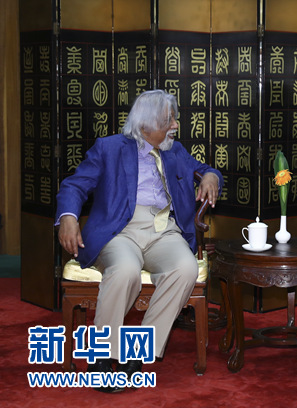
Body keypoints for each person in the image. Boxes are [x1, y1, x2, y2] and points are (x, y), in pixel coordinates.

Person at [56, 89, 223, 393]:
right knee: (125, 270)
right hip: (120, 230)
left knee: (185, 268)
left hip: (164, 231)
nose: (175, 125)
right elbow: (74, 185)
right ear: (146, 124)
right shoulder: (109, 148)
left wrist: (211, 177)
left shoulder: (174, 150)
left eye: (174, 119)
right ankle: (101, 356)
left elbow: (206, 170)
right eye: (168, 120)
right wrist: (68, 217)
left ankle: (138, 351)